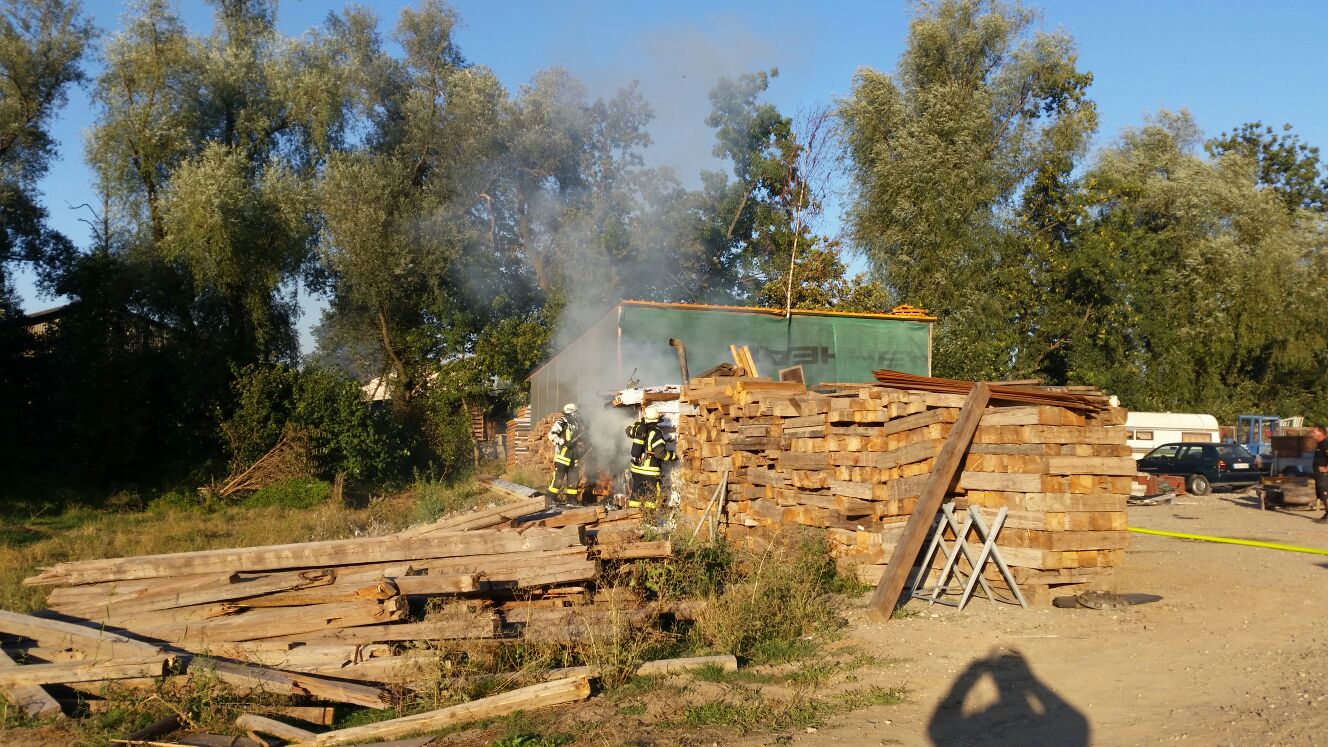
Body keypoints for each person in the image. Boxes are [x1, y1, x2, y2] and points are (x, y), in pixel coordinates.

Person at [627, 405, 675, 510]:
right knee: (651, 498)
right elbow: (660, 454)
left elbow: (628, 431)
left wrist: (638, 425)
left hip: (636, 469)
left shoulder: (638, 428)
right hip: (650, 471)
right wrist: (672, 456)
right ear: (657, 419)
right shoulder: (656, 433)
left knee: (636, 494)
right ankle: (650, 518)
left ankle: (634, 515)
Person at [547, 403, 583, 499]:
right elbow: (551, 434)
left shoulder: (577, 423)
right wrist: (559, 440)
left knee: (573, 478)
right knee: (558, 478)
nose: (577, 414)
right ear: (571, 412)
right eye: (575, 412)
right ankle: (550, 498)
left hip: (574, 455)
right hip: (563, 454)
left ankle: (571, 500)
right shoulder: (562, 421)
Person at [1313, 426, 1328, 523]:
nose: (1312, 434)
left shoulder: (1325, 444)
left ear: (1320, 433)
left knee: (1325, 495)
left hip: (1324, 475)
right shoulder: (1320, 444)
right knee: (1323, 496)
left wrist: (1327, 469)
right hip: (1320, 475)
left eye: (1314, 432)